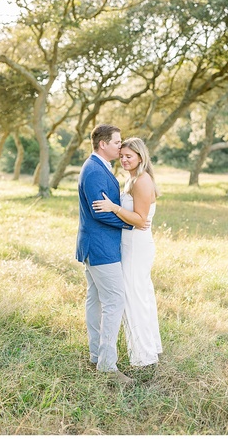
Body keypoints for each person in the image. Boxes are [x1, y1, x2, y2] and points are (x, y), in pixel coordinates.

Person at [92, 137, 162, 367]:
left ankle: (143, 355)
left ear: (141, 157)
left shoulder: (142, 181)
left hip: (136, 245)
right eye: (121, 156)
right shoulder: (132, 179)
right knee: (138, 293)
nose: (123, 160)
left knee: (134, 296)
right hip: (130, 243)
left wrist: (114, 207)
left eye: (129, 156)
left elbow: (140, 220)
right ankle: (147, 347)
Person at [76, 124, 134, 385]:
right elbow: (101, 211)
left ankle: (95, 355)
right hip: (101, 248)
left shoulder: (98, 166)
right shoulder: (94, 171)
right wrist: (130, 221)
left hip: (96, 245)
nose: (120, 147)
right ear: (103, 144)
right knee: (114, 300)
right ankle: (107, 366)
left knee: (97, 300)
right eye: (117, 142)